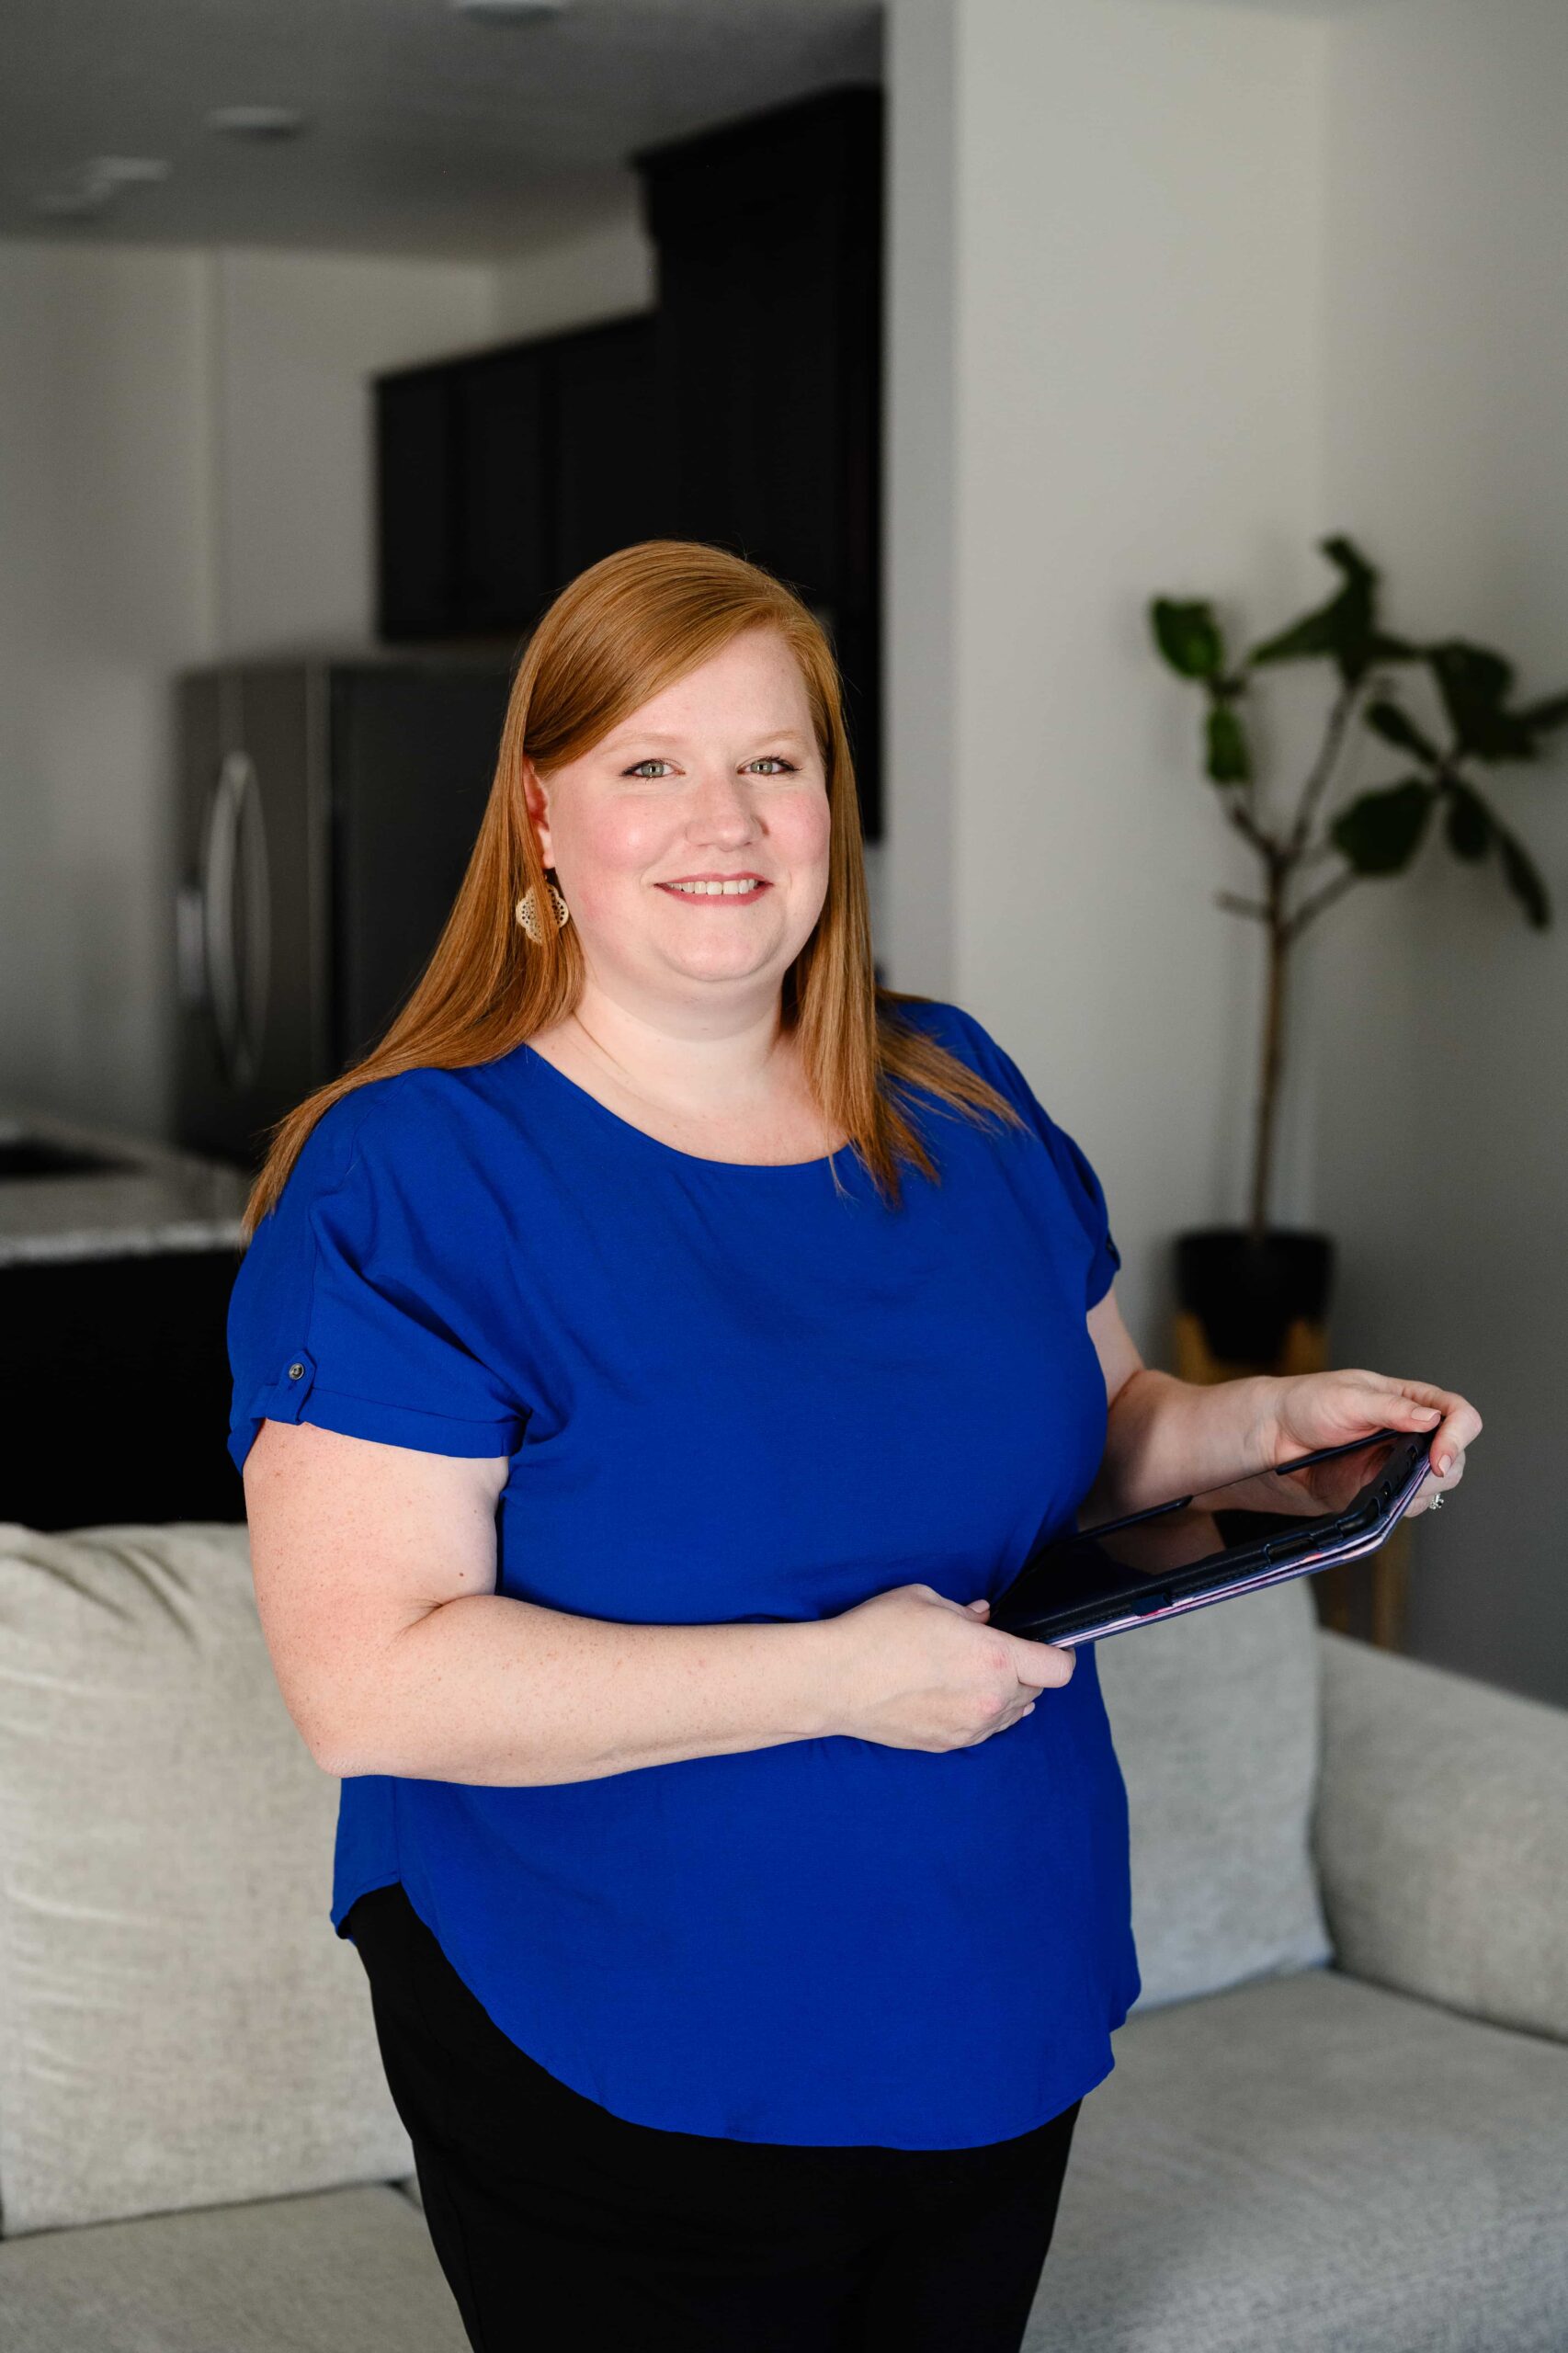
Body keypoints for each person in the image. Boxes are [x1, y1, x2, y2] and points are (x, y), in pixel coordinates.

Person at [228, 540, 1478, 2352]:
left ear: (832, 803)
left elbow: (1106, 1426)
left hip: (988, 1967)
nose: (718, 814)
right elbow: (373, 1683)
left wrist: (1264, 1426)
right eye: (649, 763)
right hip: (614, 2013)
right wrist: (834, 1677)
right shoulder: (409, 1176)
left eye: (774, 759)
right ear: (541, 814)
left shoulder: (953, 1089)